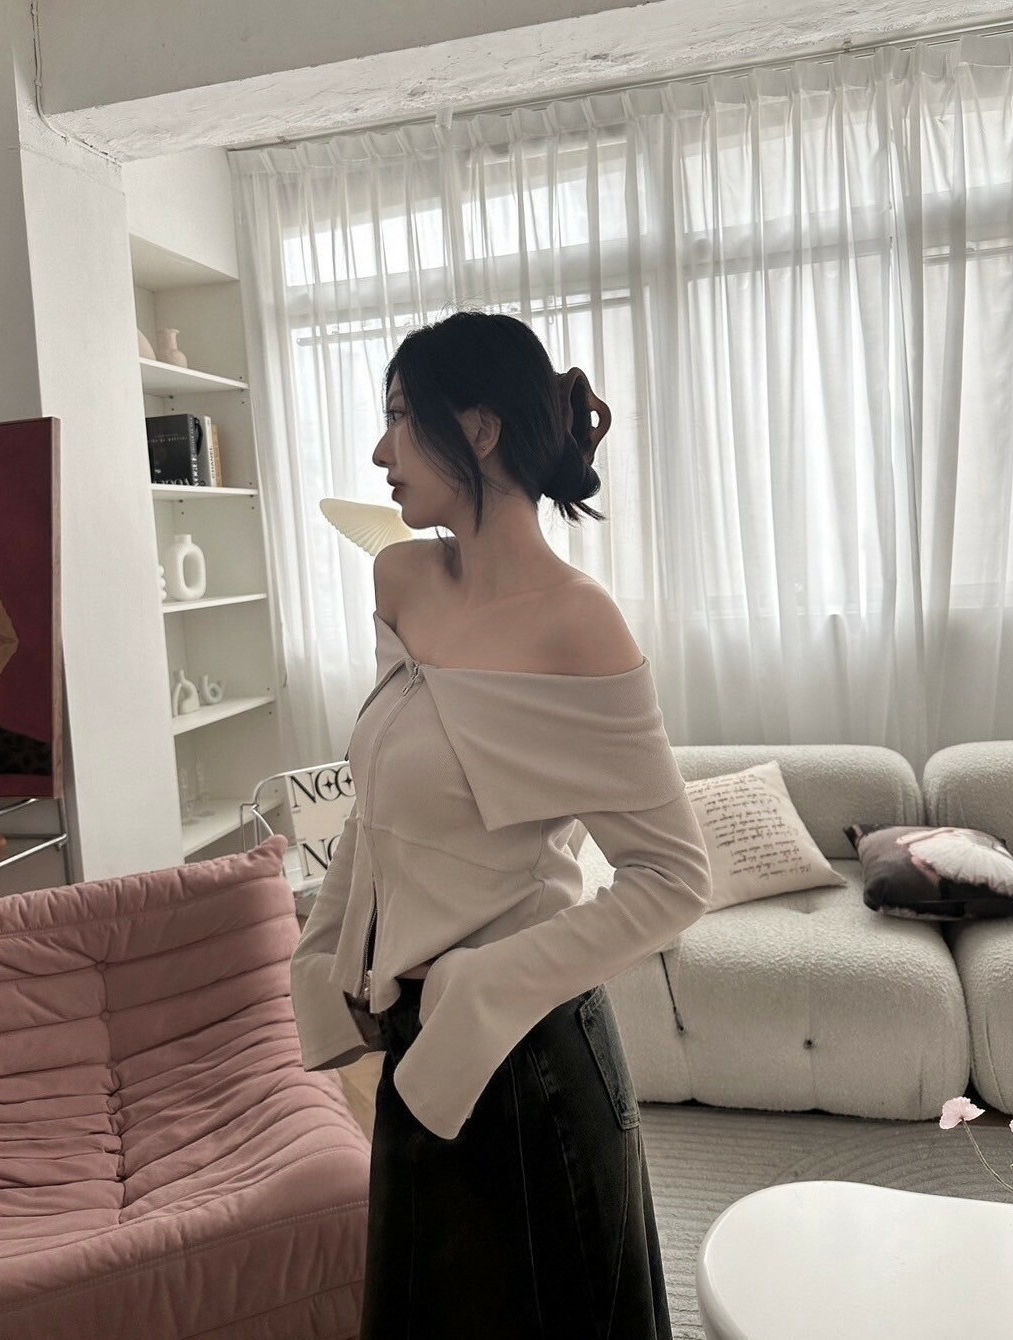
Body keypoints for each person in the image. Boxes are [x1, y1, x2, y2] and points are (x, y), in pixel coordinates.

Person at [288, 309, 713, 1339]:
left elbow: (673, 877)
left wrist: (479, 984)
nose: (379, 451)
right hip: (416, 1046)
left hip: (530, 1068)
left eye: (400, 416)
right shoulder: (400, 581)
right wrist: (333, 946)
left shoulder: (577, 623)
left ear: (479, 429)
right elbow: (381, 807)